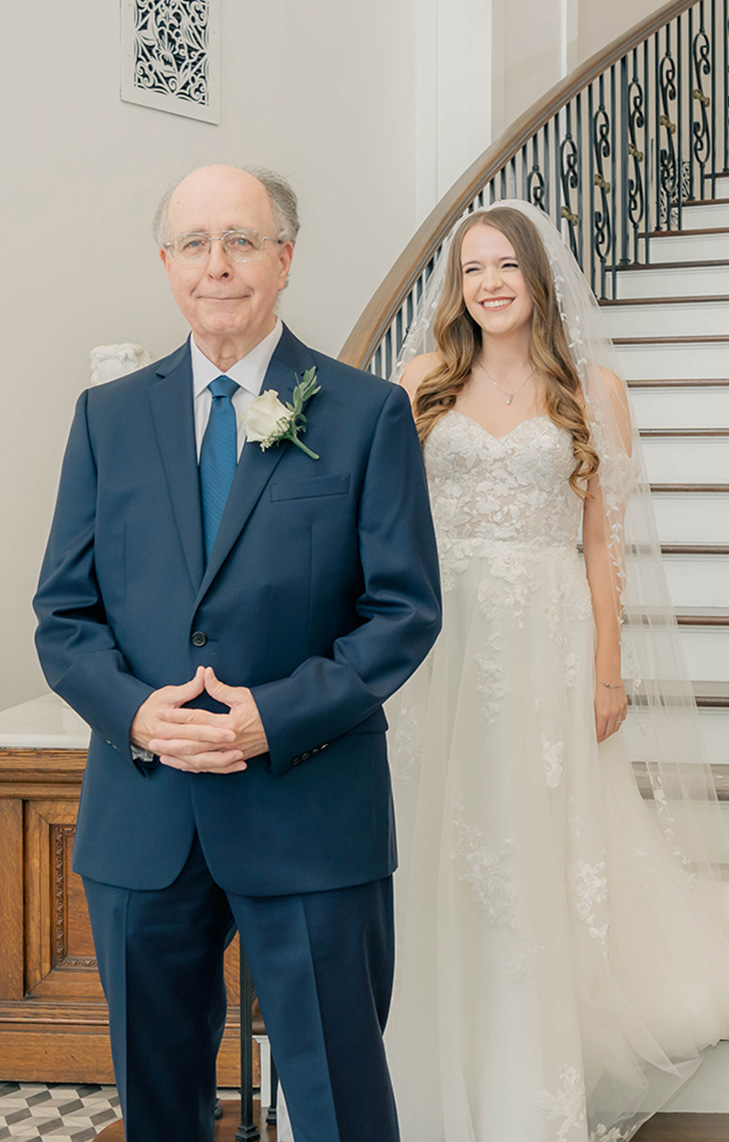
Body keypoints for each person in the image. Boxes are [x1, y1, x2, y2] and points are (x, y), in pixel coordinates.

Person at [33, 164, 441, 1142]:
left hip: (309, 804)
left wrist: (274, 715)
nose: (216, 264)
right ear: (167, 263)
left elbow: (402, 610)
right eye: (194, 243)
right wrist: (135, 712)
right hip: (145, 813)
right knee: (158, 1108)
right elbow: (63, 614)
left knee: (339, 1101)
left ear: (285, 258)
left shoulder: (366, 411)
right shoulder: (105, 417)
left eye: (241, 241)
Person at [384, 200, 729, 1141]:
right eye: (472, 269)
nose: (489, 284)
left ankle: (530, 1044)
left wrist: (609, 671)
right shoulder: (420, 382)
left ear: (538, 277)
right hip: (441, 633)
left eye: (506, 266)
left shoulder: (593, 388)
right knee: (443, 819)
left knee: (532, 826)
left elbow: (603, 543)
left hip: (547, 629)